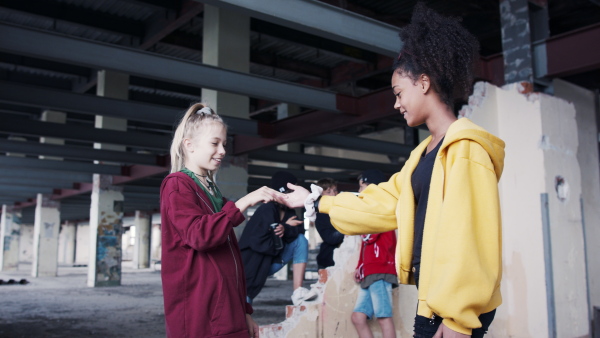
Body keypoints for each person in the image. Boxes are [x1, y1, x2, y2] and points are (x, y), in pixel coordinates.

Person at [284, 3, 505, 338]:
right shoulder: (423, 155)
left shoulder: (465, 149)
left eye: (399, 93)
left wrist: (459, 319)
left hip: (455, 311)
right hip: (432, 300)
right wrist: (318, 201)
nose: (396, 103)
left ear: (425, 83)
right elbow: (383, 203)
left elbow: (471, 236)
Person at [160, 102, 285, 338]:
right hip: (201, 317)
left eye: (224, 144)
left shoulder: (211, 191)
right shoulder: (177, 184)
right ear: (189, 145)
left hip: (227, 311)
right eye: (214, 143)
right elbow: (199, 235)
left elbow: (230, 261)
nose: (222, 150)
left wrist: (244, 311)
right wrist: (244, 202)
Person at [239, 171, 318, 306]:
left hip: (270, 260)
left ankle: (298, 292)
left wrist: (285, 228)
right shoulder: (266, 209)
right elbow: (258, 242)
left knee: (300, 240)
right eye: (292, 191)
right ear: (283, 191)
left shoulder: (289, 211)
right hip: (251, 265)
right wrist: (283, 228)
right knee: (243, 302)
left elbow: (298, 229)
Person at [351, 170, 397, 338]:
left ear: (372, 188)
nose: (360, 191)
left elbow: (369, 235)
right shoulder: (370, 212)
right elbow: (365, 244)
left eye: (362, 187)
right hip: (370, 271)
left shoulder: (382, 209)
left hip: (380, 271)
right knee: (358, 317)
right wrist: (360, 267)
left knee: (384, 318)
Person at [314, 177, 343, 270]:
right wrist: (349, 230)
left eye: (335, 190)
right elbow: (330, 238)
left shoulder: (342, 210)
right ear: (320, 196)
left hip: (346, 259)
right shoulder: (321, 216)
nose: (334, 194)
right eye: (328, 192)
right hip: (328, 262)